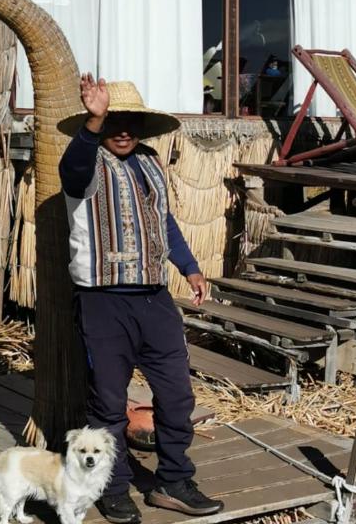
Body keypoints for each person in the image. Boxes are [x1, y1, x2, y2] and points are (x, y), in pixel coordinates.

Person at [57, 76, 224, 524]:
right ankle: (111, 487)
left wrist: (188, 266)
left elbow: (163, 221)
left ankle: (173, 480)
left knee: (177, 394)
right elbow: (72, 169)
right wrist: (93, 121)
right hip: (104, 302)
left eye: (130, 122)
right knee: (109, 402)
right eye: (114, 121)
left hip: (155, 299)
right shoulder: (86, 164)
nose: (123, 130)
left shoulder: (150, 163)